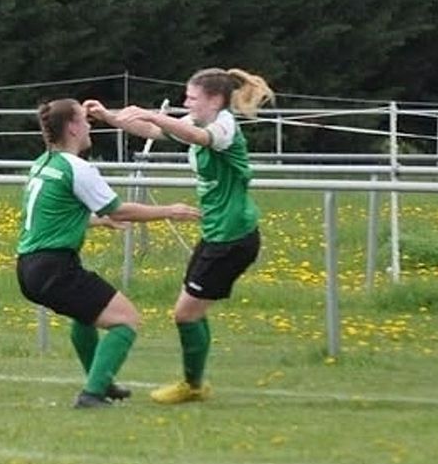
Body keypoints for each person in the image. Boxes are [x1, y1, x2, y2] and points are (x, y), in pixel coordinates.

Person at [84, 67, 274, 404]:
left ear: (215, 100)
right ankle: (194, 383)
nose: (187, 102)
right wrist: (109, 117)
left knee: (185, 313)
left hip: (232, 237)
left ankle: (193, 385)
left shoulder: (224, 125)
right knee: (189, 312)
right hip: (217, 235)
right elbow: (153, 130)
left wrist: (154, 114)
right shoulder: (196, 120)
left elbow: (199, 138)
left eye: (192, 97)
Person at [17, 98, 201, 409]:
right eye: (84, 120)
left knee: (85, 317)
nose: (90, 126)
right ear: (73, 127)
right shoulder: (78, 168)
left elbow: (51, 216)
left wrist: (97, 221)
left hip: (28, 267)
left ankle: (101, 382)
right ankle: (92, 394)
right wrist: (169, 210)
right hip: (53, 267)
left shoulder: (43, 163)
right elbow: (121, 209)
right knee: (126, 320)